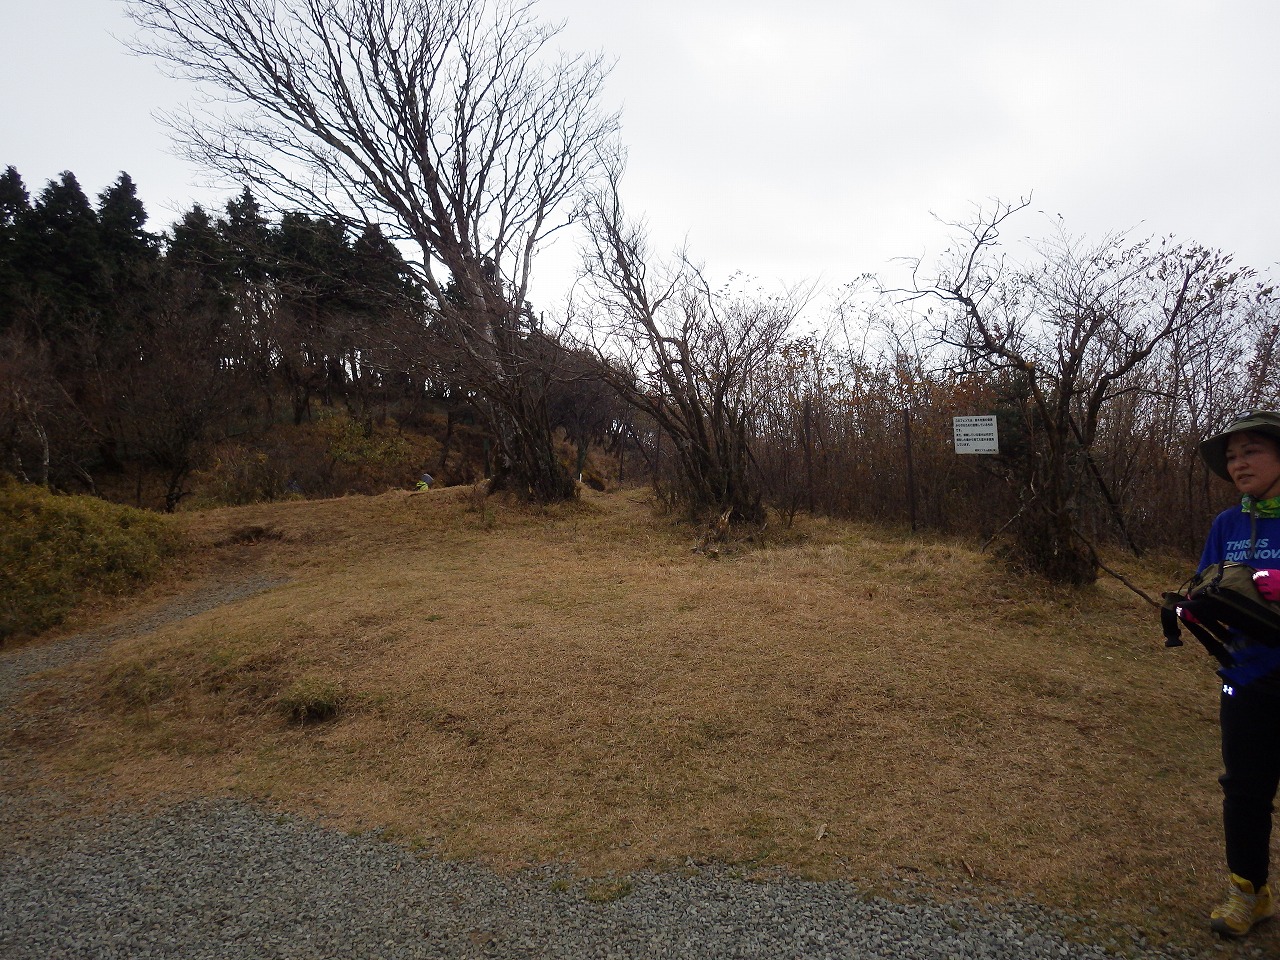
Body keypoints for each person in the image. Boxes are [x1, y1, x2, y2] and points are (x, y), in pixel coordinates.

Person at [1195, 410, 1280, 937]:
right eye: (1231, 455)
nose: (1238, 463)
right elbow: (1203, 580)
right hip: (1245, 677)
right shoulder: (1226, 524)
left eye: (1251, 451)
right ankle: (1249, 892)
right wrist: (1193, 606)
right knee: (1244, 787)